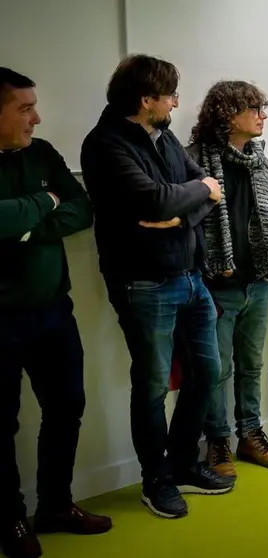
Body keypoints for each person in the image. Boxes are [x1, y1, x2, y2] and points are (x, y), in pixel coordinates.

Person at [80, 54, 233, 519]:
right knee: (150, 386)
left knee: (207, 373)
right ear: (147, 100)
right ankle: (157, 479)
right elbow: (156, 197)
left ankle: (185, 463)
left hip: (191, 277)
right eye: (170, 96)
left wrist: (181, 209)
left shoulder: (163, 135)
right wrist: (192, 196)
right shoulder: (105, 144)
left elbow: (208, 188)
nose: (175, 103)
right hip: (142, 283)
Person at [0, 67, 111, 558]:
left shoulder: (42, 154)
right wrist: (44, 202)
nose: (36, 117)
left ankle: (56, 506)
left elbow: (81, 208)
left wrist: (24, 223)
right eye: (24, 108)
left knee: (67, 407)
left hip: (52, 309)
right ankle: (9, 521)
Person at [186, 81, 268, 478]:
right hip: (217, 283)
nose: (263, 117)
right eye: (254, 110)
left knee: (251, 364)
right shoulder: (195, 160)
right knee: (216, 369)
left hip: (258, 279)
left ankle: (251, 434)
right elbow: (189, 222)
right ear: (229, 115)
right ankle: (217, 442)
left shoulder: (260, 161)